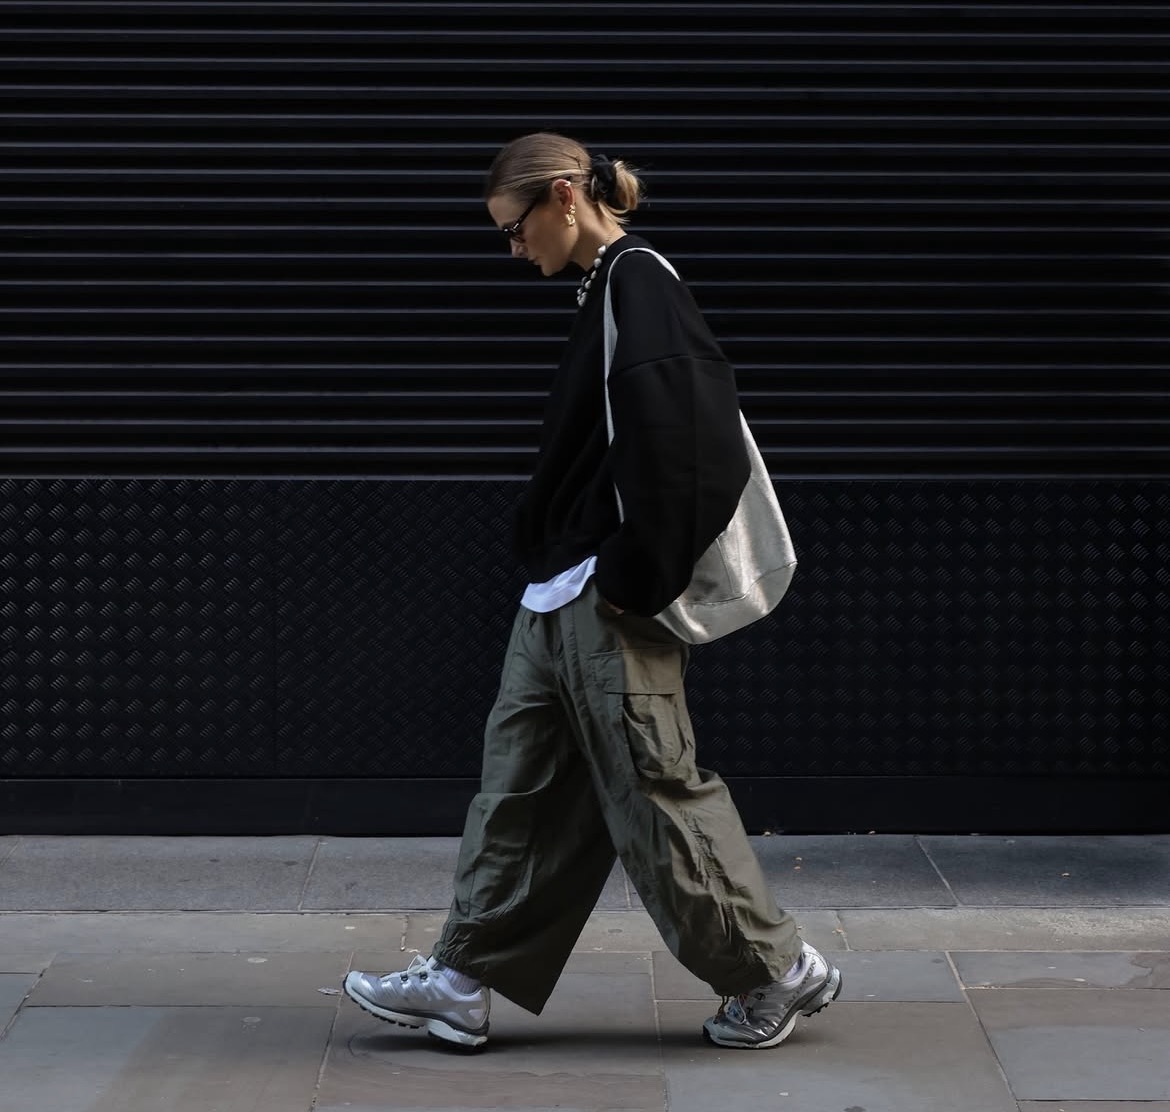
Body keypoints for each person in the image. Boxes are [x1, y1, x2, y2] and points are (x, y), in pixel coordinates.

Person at [342, 132, 841, 1050]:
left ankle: (774, 973)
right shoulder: (604, 289)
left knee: (653, 785)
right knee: (520, 782)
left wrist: (633, 577)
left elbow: (698, 447)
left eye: (515, 225)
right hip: (561, 586)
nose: (512, 246)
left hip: (601, 592)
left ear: (565, 195)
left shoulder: (639, 282)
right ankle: (462, 977)